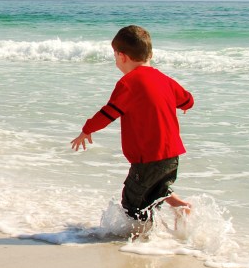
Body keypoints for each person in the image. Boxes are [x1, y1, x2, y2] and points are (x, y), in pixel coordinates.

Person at [70, 25, 194, 222]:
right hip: (172, 155)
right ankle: (181, 206)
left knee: (133, 205)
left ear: (122, 56)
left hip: (148, 158)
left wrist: (87, 130)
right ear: (150, 54)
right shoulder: (165, 79)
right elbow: (187, 99)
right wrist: (185, 105)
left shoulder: (128, 83)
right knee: (157, 189)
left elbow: (108, 113)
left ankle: (139, 242)